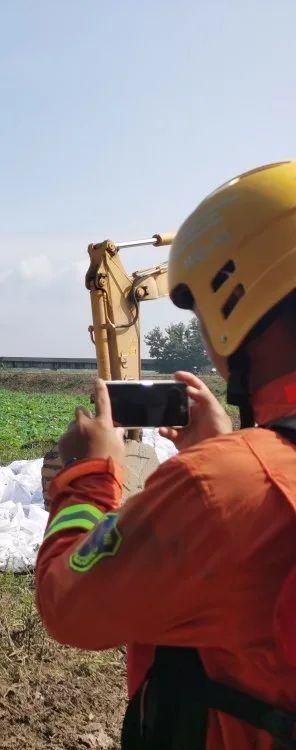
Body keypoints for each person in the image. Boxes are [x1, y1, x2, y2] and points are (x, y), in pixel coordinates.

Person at [35, 161, 296, 749]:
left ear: (236, 306)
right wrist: (226, 451)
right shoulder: (235, 473)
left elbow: (68, 605)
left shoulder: (216, 488)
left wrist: (86, 479)